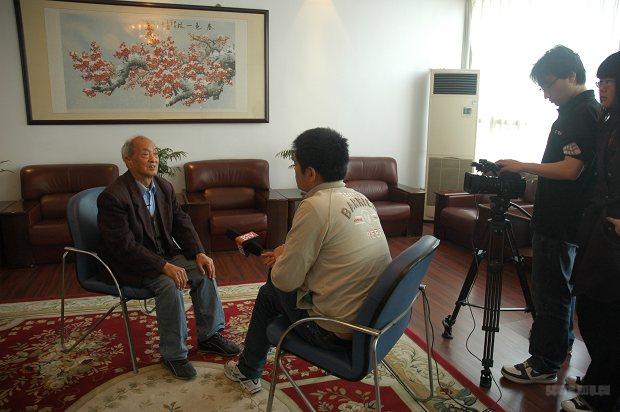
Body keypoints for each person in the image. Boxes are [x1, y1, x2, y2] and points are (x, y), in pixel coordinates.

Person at [222, 127, 392, 394]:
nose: (294, 171)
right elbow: (334, 254)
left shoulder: (314, 205)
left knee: (270, 291)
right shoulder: (361, 199)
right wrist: (288, 252)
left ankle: (248, 370)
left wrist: (282, 258)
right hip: (376, 323)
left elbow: (285, 281)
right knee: (282, 281)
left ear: (310, 173)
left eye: (295, 166)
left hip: (336, 333)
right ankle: (257, 357)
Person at [97, 135, 241, 380]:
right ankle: (174, 355)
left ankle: (210, 336)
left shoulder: (163, 187)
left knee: (204, 270)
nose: (153, 159)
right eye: (145, 154)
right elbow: (123, 246)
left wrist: (199, 252)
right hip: (131, 264)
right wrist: (163, 266)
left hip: (164, 255)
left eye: (155, 153)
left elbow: (181, 222)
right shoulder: (113, 196)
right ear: (128, 160)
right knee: (169, 284)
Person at [497, 45, 600, 384]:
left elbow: (571, 169)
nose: (546, 94)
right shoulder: (577, 111)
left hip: (560, 222)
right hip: (562, 220)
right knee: (560, 292)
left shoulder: (581, 114)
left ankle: (543, 364)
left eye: (548, 85)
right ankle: (559, 348)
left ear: (571, 75)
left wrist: (522, 165)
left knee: (550, 294)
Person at [561, 51, 620, 412]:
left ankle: (601, 397)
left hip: (613, 238)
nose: (602, 88)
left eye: (608, 81)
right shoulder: (608, 122)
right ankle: (598, 381)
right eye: (600, 81)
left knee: (606, 319)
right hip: (599, 230)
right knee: (592, 311)